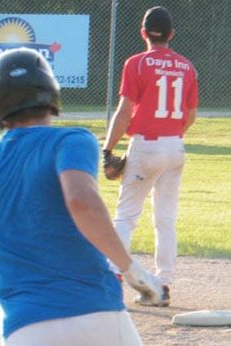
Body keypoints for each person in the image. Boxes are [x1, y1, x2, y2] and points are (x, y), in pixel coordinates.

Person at [0, 48, 163, 346]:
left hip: (23, 328)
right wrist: (130, 268)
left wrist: (20, 236)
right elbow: (80, 201)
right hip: (93, 311)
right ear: (50, 93)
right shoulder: (71, 140)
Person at [103, 6, 198, 307]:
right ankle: (164, 284)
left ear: (143, 33)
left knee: (127, 216)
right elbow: (190, 116)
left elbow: (123, 113)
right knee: (165, 220)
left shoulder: (137, 64)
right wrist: (170, 133)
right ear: (171, 34)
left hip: (145, 145)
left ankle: (111, 278)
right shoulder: (187, 67)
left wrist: (108, 149)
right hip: (175, 146)